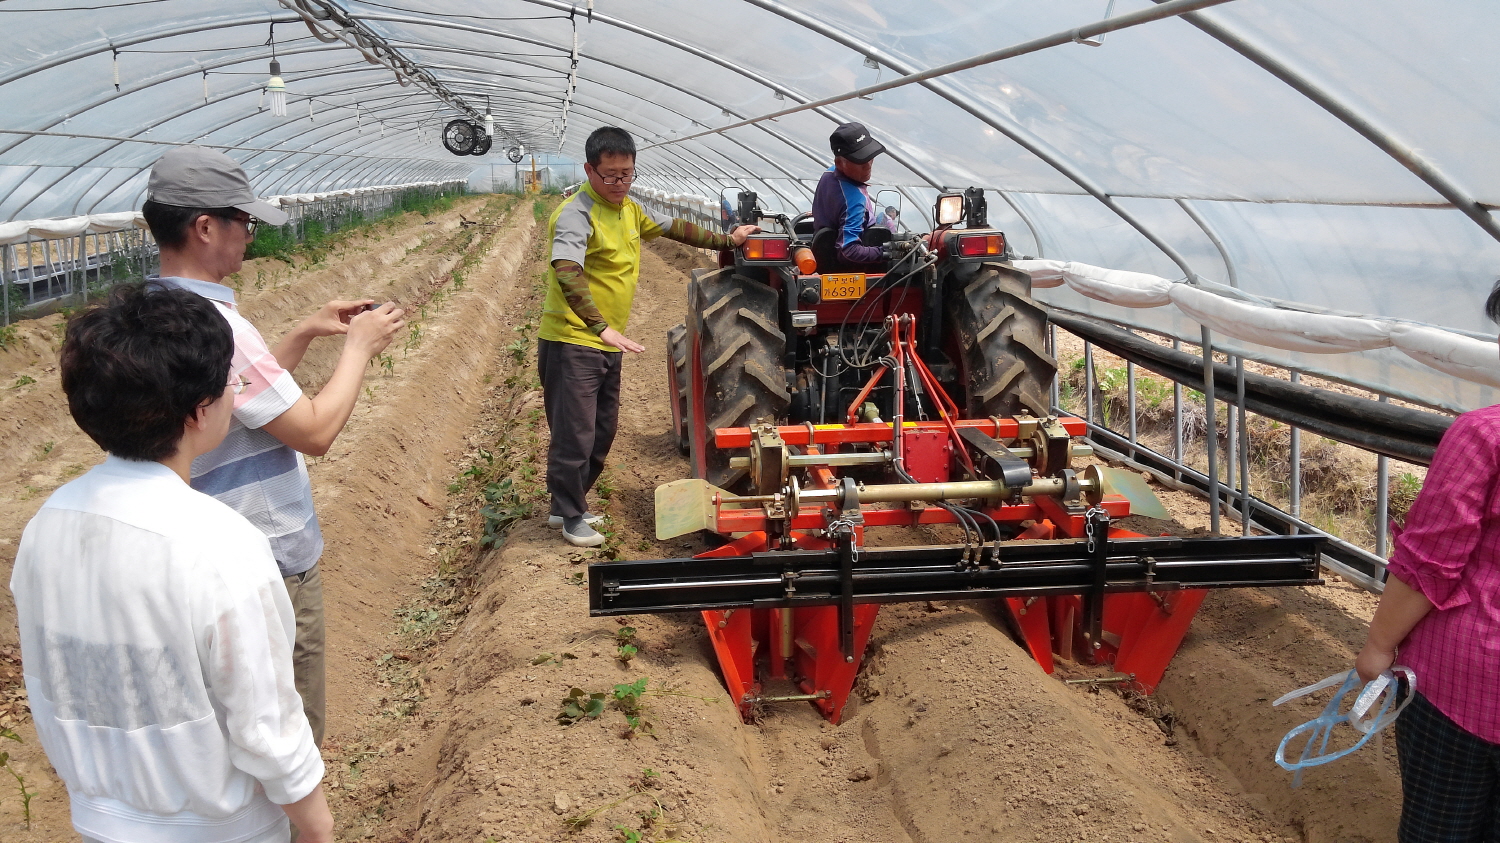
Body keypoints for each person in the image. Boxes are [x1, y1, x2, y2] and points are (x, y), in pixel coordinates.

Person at [11, 283, 330, 843]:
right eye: (231, 383)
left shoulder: (47, 524)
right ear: (198, 411)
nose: (235, 393)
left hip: (101, 818)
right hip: (220, 828)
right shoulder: (220, 543)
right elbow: (265, 724)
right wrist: (316, 825)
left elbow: (52, 680)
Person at [141, 146, 406, 746]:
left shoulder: (155, 309)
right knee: (285, 731)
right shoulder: (222, 326)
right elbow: (313, 432)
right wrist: (359, 348)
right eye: (244, 221)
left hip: (200, 549)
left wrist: (304, 331)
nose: (249, 236)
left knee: (223, 724)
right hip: (262, 557)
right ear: (205, 227)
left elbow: (234, 397)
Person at [539, 126, 759, 547]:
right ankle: (569, 514)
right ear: (589, 170)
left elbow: (676, 227)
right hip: (572, 340)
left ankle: (567, 503)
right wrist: (600, 326)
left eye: (627, 174)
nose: (619, 183)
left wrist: (727, 240)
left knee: (602, 430)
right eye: (610, 175)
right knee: (575, 434)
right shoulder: (575, 213)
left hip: (606, 341)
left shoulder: (629, 209)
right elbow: (567, 270)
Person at [1354, 279, 1500, 843]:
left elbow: (1430, 563)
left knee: (1439, 827)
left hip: (1466, 685)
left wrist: (1378, 646)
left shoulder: (1484, 436)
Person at [810, 121, 888, 271]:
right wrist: (886, 252)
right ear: (840, 163)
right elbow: (848, 251)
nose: (868, 165)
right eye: (860, 160)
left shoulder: (829, 174)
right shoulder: (854, 200)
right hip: (848, 270)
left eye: (870, 156)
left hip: (823, 258)